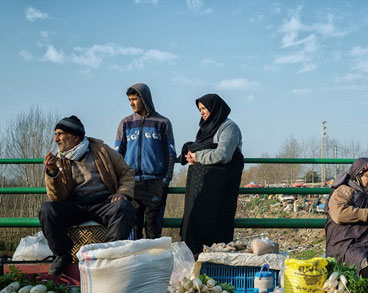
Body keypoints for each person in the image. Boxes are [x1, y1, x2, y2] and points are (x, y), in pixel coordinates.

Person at [39, 116, 136, 275]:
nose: (56, 139)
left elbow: (126, 172)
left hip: (103, 202)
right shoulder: (60, 159)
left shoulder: (102, 150)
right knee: (47, 210)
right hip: (75, 204)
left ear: (76, 137)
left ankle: (108, 256)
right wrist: (52, 172)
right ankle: (62, 256)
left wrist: (122, 192)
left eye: (60, 134)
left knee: (124, 207)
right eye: (55, 134)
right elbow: (56, 197)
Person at [179, 94, 243, 255]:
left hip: (221, 187)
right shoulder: (204, 130)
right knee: (195, 221)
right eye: (200, 109)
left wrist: (197, 156)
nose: (202, 112)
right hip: (202, 189)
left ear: (215, 108)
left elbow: (223, 155)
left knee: (217, 222)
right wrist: (190, 155)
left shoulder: (229, 127)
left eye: (205, 108)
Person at [115, 83, 176, 239]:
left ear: (145, 99)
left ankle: (155, 262)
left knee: (153, 229)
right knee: (132, 228)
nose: (131, 103)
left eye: (135, 99)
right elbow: (117, 156)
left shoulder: (162, 123)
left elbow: (171, 154)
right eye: (129, 100)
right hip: (131, 183)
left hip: (155, 183)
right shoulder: (125, 123)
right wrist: (119, 182)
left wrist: (165, 181)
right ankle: (133, 263)